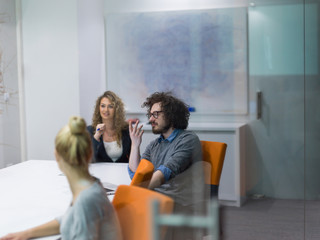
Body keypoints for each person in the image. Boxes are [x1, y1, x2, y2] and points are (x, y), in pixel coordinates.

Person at [0, 116, 122, 240]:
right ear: (89, 153)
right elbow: (69, 219)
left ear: (56, 156)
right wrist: (25, 234)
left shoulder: (86, 200)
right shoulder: (90, 186)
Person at [87, 91, 131, 163]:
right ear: (98, 108)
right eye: (103, 106)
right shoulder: (90, 130)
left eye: (110, 106)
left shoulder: (126, 130)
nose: (106, 110)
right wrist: (96, 137)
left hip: (122, 172)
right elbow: (88, 160)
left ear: (116, 109)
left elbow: (133, 158)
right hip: (100, 173)